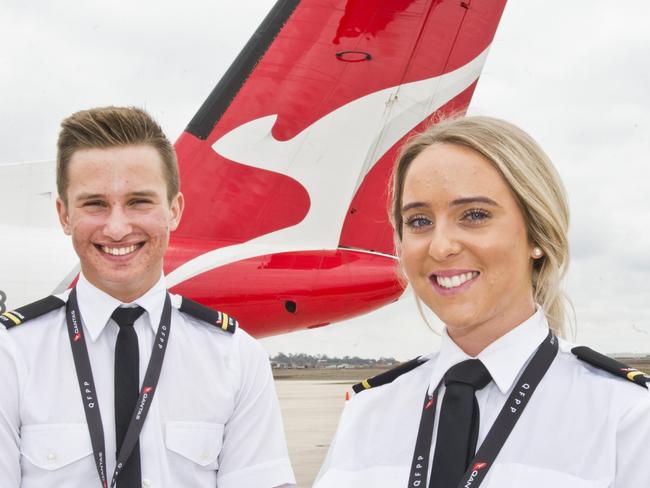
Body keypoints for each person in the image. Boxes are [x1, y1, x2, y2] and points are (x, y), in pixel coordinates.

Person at [314, 116, 650, 488]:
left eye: (474, 215)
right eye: (420, 221)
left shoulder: (627, 417)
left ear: (537, 235)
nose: (441, 246)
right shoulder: (367, 412)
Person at [0, 106, 296, 488]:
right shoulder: (9, 356)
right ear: (64, 215)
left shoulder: (237, 358)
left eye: (139, 201)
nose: (118, 227)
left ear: (174, 210)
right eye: (95, 204)